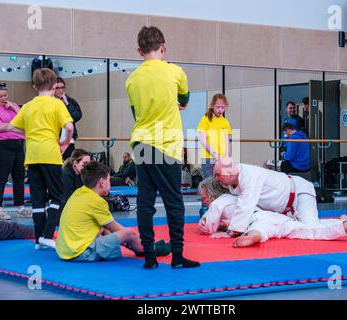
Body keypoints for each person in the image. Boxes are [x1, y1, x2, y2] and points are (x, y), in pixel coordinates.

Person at [126, 26, 200, 269]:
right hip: (165, 144)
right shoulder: (175, 71)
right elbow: (185, 100)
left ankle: (149, 258)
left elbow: (137, 113)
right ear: (163, 48)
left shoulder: (132, 79)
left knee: (145, 200)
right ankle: (177, 257)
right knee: (173, 201)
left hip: (141, 141)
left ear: (139, 51)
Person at [3, 68, 74, 250]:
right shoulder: (57, 104)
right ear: (53, 85)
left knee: (38, 199)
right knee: (59, 196)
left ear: (34, 86)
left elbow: (12, 127)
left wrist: (28, 132)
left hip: (32, 156)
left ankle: (39, 241)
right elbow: (69, 127)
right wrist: (64, 143)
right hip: (50, 154)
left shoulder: (27, 106)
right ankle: (46, 235)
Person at [197, 178, 347, 246]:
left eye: (204, 197)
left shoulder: (218, 204)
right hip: (271, 217)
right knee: (307, 228)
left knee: (309, 231)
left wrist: (207, 226)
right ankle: (345, 223)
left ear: (211, 194)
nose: (203, 200)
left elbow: (208, 226)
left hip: (261, 221)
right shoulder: (236, 197)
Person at [56, 161, 170, 262]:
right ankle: (147, 248)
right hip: (81, 253)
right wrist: (139, 240)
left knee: (105, 227)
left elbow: (107, 229)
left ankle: (140, 247)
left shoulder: (79, 192)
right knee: (129, 232)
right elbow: (119, 230)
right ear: (102, 182)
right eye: (109, 180)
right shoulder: (97, 201)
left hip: (64, 251)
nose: (110, 184)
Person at [213, 157, 320, 235]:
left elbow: (246, 205)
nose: (216, 178)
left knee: (312, 230)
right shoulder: (233, 182)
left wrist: (231, 231)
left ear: (230, 173)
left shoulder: (249, 175)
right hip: (284, 206)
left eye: (218, 174)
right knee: (295, 230)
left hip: (299, 192)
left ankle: (337, 223)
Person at [0, 83, 32, 220]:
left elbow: (27, 121)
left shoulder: (13, 107)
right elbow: (0, 127)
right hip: (1, 145)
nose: (4, 98)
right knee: (1, 177)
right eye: (0, 96)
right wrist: (18, 129)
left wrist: (14, 107)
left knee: (19, 177)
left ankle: (20, 207)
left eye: (5, 95)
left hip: (18, 145)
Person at [196, 93, 232, 217]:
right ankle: (205, 211)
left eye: (222, 107)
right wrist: (215, 154)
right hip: (209, 157)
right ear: (212, 106)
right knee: (208, 184)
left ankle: (220, 211)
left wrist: (227, 156)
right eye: (217, 107)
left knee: (222, 184)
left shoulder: (225, 121)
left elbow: (227, 140)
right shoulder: (206, 119)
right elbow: (203, 139)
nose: (220, 110)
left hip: (222, 158)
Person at [54, 77, 83, 161]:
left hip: (68, 141)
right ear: (53, 88)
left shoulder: (70, 101)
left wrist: (67, 104)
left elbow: (77, 116)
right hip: (54, 140)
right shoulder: (50, 102)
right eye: (57, 88)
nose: (60, 90)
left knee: (69, 165)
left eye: (62, 87)